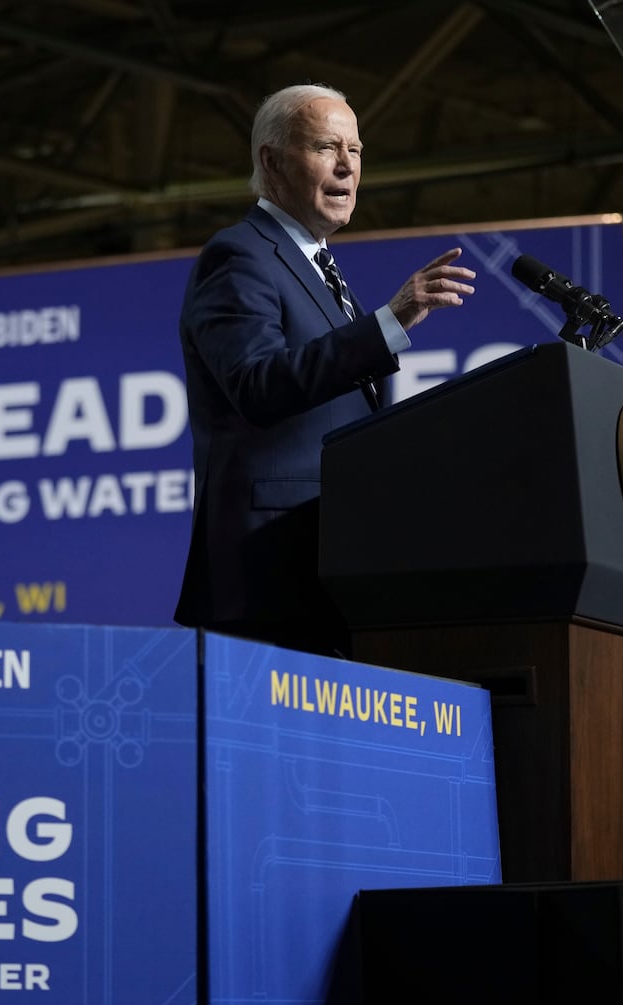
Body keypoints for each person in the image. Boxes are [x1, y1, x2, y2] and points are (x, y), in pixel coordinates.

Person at [173, 83, 476, 655]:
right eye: (325, 147)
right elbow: (257, 385)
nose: (346, 166)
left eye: (356, 151)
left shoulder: (322, 273)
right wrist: (392, 319)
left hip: (333, 567)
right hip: (267, 573)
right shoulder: (239, 255)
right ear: (272, 160)